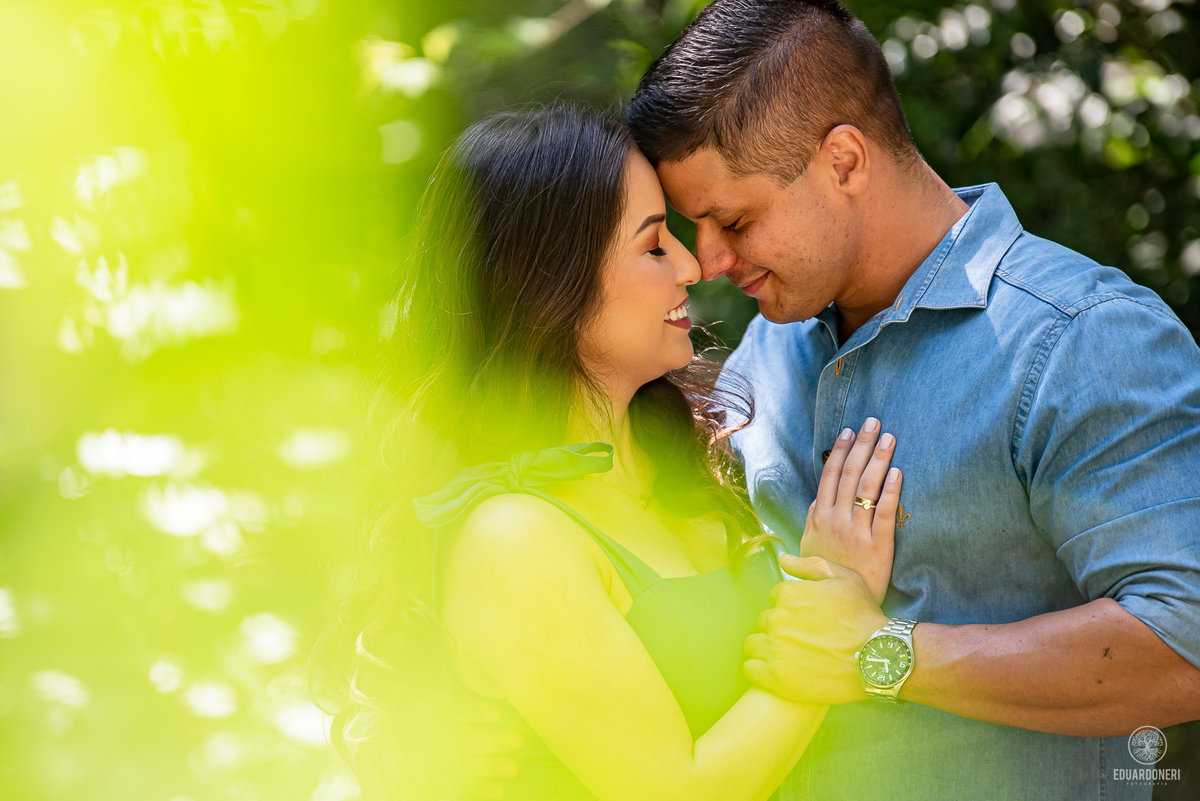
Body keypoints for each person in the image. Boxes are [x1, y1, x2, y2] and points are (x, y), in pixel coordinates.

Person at [624, 1, 1200, 799]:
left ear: (845, 160)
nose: (709, 260)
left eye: (735, 220)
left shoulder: (1082, 340)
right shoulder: (768, 345)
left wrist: (882, 653)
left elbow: (1185, 641)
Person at [319, 105, 905, 801]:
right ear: (552, 284)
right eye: (655, 245)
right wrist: (834, 617)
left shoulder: (683, 462)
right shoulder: (514, 536)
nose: (692, 265)